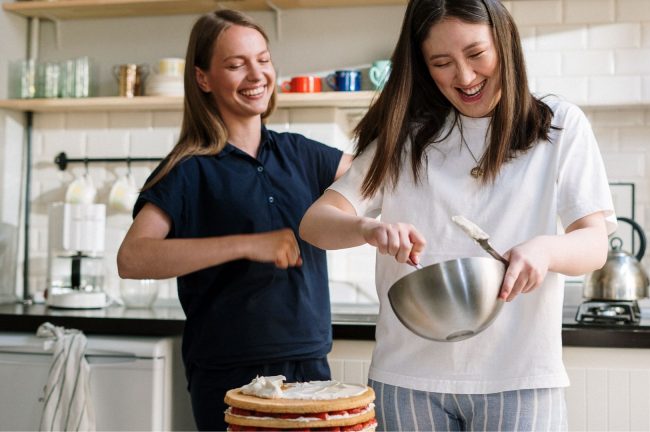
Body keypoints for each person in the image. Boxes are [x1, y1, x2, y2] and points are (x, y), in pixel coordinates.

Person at [299, 0, 616, 430]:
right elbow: (315, 222)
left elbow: (594, 242)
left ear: (505, 42)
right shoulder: (406, 138)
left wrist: (546, 249)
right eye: (442, 62)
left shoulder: (557, 126)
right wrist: (367, 228)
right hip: (407, 376)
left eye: (476, 54)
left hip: (519, 376)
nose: (464, 78)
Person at [116, 10, 352, 431]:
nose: (256, 74)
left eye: (262, 59)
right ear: (203, 78)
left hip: (309, 364)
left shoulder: (302, 154)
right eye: (235, 64)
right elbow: (132, 258)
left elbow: (381, 178)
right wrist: (248, 243)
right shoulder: (187, 169)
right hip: (228, 374)